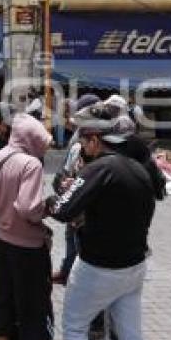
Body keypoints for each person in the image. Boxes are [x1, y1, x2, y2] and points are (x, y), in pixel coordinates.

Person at [47, 103, 158, 340]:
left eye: (84, 142)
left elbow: (63, 210)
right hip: (134, 265)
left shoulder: (99, 168)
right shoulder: (138, 169)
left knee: (74, 329)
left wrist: (51, 200)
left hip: (99, 268)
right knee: (132, 339)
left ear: (96, 140)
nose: (82, 148)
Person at [0, 112, 54, 340]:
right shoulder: (31, 164)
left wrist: (2, 214)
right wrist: (48, 208)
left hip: (0, 242)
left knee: (2, 306)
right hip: (29, 250)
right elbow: (29, 208)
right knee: (33, 310)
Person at [51, 93, 100, 286]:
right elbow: (70, 162)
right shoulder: (79, 135)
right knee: (70, 236)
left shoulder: (95, 140)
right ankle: (66, 271)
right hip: (72, 190)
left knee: (81, 240)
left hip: (84, 200)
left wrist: (75, 183)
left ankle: (79, 278)